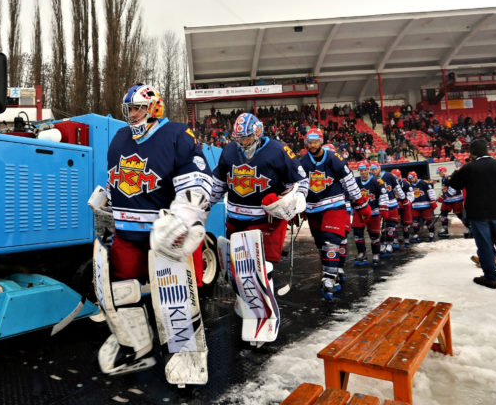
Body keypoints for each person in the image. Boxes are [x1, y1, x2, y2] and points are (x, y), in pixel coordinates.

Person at [94, 83, 213, 375]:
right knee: (120, 290)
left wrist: (184, 216)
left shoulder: (177, 135)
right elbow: (116, 179)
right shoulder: (120, 137)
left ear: (154, 108)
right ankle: (136, 344)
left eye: (137, 108)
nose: (132, 115)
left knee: (177, 297)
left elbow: (198, 182)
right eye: (129, 109)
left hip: (164, 236)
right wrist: (106, 201)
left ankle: (187, 359)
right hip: (126, 233)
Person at [210, 112, 308, 279]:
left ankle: (263, 302)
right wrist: (203, 205)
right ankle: (242, 302)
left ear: (257, 132)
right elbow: (218, 184)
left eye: (247, 138)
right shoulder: (229, 150)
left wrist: (297, 200)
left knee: (260, 270)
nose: (243, 143)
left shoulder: (278, 150)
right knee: (237, 271)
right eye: (239, 138)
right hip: (234, 220)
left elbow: (301, 181)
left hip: (264, 221)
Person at [299, 129, 370, 298]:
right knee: (321, 244)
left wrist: (359, 202)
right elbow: (299, 185)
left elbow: (349, 181)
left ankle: (330, 277)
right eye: (310, 142)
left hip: (335, 204)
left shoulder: (334, 158)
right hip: (313, 207)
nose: (313, 145)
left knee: (332, 239)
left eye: (316, 141)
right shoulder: (302, 162)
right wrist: (298, 206)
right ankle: (332, 271)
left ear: (321, 141)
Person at [448, 139, 496, 289]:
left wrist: (457, 171)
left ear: (473, 153)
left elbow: (454, 184)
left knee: (485, 244)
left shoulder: (469, 168)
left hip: (478, 213)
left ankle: (490, 277)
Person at [353, 162, 386, 267]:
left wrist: (383, 208)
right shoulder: (355, 181)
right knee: (357, 234)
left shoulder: (377, 181)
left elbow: (383, 195)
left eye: (365, 170)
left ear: (368, 170)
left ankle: (375, 254)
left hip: (373, 212)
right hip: (359, 211)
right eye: (361, 170)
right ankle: (362, 253)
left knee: (374, 235)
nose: (363, 172)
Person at [407, 171, 437, 242]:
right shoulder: (410, 185)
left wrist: (433, 201)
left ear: (416, 176)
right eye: (410, 178)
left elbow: (431, 192)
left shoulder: (424, 183)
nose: (412, 179)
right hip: (415, 207)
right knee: (415, 222)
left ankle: (431, 233)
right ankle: (416, 234)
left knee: (428, 221)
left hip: (425, 206)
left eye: (413, 177)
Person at [437, 167, 464, 238]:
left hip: (456, 199)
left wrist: (445, 196)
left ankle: (469, 228)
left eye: (440, 172)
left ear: (444, 171)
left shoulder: (450, 178)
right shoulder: (443, 179)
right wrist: (442, 195)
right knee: (443, 214)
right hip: (447, 200)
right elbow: (445, 189)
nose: (439, 174)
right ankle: (445, 229)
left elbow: (454, 188)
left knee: (459, 214)